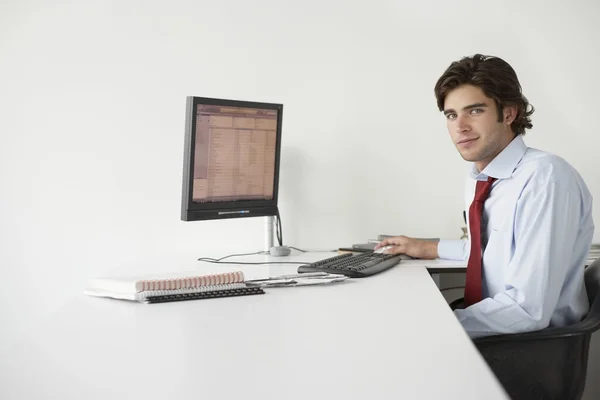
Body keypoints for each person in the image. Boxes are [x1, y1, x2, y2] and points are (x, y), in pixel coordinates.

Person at [375, 54, 594, 339]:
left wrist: (433, 326)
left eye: (475, 111)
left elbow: (528, 308)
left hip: (530, 349)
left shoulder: (545, 178)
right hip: (498, 331)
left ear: (509, 113)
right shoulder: (481, 177)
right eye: (451, 115)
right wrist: (425, 246)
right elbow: (491, 254)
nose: (460, 126)